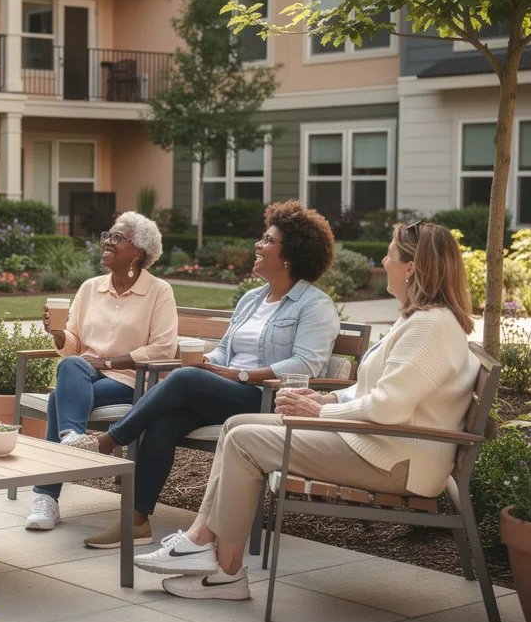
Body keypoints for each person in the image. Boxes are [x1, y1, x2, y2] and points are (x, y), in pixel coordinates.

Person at [136, 221, 479, 602]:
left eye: (390, 255)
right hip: (381, 444)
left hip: (395, 459)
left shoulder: (430, 326)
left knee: (246, 440)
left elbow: (389, 406)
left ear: (411, 268)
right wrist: (326, 401)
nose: (383, 261)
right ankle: (205, 547)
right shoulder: (419, 320)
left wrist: (319, 415)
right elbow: (376, 393)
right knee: (236, 425)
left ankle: (223, 567)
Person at [66, 200, 340, 550]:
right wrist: (204, 361)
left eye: (267, 240)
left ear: (290, 255)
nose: (258, 245)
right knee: (165, 421)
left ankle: (110, 440)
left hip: (264, 399)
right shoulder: (253, 299)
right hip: (224, 391)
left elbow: (306, 364)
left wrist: (239, 374)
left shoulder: (314, 305)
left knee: (184, 380)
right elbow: (223, 351)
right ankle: (134, 521)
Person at [24, 212, 178, 532]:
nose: (107, 241)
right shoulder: (90, 288)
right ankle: (74, 441)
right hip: (82, 373)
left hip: (131, 381)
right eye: (107, 235)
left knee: (57, 399)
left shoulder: (159, 292)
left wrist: (107, 363)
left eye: (117, 238)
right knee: (70, 365)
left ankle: (47, 496)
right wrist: (57, 334)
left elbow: (163, 349)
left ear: (137, 252)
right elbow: (74, 344)